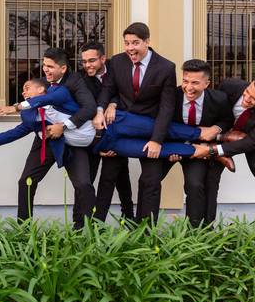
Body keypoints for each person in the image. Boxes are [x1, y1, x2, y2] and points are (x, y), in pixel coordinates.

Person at [2, 47, 96, 228]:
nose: (45, 69)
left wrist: (64, 126)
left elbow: (89, 108)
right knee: (26, 181)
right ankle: (24, 228)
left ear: (63, 68)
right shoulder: (43, 84)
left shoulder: (74, 81)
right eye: (44, 65)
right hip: (45, 140)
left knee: (84, 184)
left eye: (50, 66)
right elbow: (35, 105)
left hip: (73, 139)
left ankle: (83, 230)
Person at [94, 22, 176, 223]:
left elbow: (167, 107)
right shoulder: (116, 62)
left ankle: (145, 232)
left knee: (151, 181)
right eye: (127, 43)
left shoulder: (166, 67)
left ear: (147, 42)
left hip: (150, 130)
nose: (130, 48)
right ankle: (95, 230)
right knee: (107, 178)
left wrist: (157, 140)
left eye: (135, 43)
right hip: (121, 129)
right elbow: (108, 90)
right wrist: (102, 109)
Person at [191, 74, 255, 226]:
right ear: (250, 83)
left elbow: (254, 142)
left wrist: (214, 150)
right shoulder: (229, 86)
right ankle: (206, 230)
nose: (247, 99)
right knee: (210, 182)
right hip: (219, 135)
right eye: (248, 92)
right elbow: (211, 110)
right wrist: (216, 139)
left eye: (254, 99)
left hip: (254, 140)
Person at [0, 78, 95, 168]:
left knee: (84, 184)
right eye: (22, 91)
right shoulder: (28, 115)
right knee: (25, 181)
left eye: (27, 88)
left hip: (94, 136)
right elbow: (13, 133)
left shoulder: (59, 94)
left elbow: (44, 99)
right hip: (59, 146)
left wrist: (16, 107)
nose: (23, 93)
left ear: (41, 89)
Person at [169, 59, 234, 226]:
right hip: (173, 145)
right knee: (150, 179)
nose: (189, 87)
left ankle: (196, 230)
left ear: (207, 83)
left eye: (195, 83)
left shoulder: (219, 99)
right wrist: (173, 149)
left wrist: (217, 128)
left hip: (202, 150)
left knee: (195, 185)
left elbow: (227, 120)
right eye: (185, 81)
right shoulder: (171, 96)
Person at [78, 41, 134, 222]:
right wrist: (98, 143)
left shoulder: (118, 69)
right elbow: (89, 111)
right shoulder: (84, 81)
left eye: (92, 60)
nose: (87, 65)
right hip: (96, 139)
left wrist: (113, 103)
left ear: (103, 58)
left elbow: (127, 92)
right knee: (88, 181)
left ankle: (124, 220)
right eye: (84, 61)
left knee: (117, 179)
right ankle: (82, 223)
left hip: (119, 134)